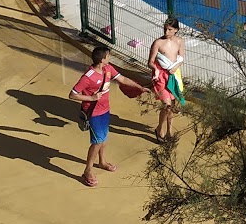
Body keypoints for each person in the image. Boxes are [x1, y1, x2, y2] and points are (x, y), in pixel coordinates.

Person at [69, 45, 142, 187]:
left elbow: (122, 79)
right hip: (93, 112)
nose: (110, 57)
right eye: (108, 55)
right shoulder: (88, 77)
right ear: (102, 59)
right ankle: (87, 170)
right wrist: (92, 98)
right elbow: (72, 94)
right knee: (97, 142)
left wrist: (138, 87)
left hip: (105, 110)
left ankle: (102, 162)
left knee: (104, 137)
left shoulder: (108, 69)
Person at [146, 18, 186, 142]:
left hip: (173, 75)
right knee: (167, 105)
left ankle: (169, 131)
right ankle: (160, 129)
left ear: (176, 30)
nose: (166, 32)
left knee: (172, 106)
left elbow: (181, 58)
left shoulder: (179, 41)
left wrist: (175, 68)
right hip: (161, 76)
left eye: (169, 29)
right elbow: (150, 62)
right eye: (165, 29)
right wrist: (155, 70)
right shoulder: (158, 43)